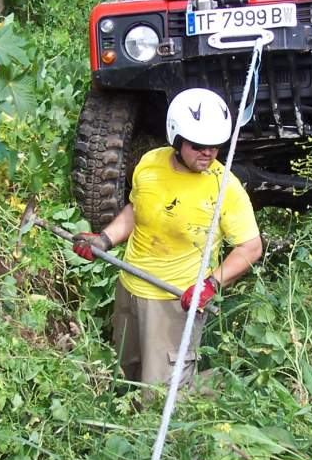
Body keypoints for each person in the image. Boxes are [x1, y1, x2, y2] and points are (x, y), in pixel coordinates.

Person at [72, 88, 263, 389]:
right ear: (177, 139)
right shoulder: (150, 163)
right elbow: (137, 210)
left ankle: (222, 391)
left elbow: (250, 247)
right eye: (199, 145)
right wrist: (105, 240)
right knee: (125, 378)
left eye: (215, 146)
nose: (208, 153)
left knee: (160, 395)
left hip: (174, 301)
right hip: (130, 290)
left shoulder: (225, 187)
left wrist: (210, 285)